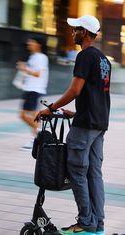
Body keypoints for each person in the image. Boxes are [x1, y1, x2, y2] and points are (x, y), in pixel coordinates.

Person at [35, 15, 111, 235]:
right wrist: (76, 113)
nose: (72, 33)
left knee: (77, 171)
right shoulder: (103, 59)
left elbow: (75, 90)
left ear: (84, 33)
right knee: (94, 174)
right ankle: (98, 224)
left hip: (85, 127)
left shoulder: (85, 56)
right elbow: (96, 95)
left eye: (75, 29)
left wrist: (51, 108)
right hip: (98, 124)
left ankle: (86, 222)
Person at [18, 36, 49, 149]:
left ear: (38, 44)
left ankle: (38, 136)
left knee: (26, 115)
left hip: (35, 89)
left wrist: (25, 69)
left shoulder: (41, 57)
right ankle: (37, 136)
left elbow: (38, 74)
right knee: (27, 115)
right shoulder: (33, 57)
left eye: (31, 42)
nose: (29, 43)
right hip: (29, 88)